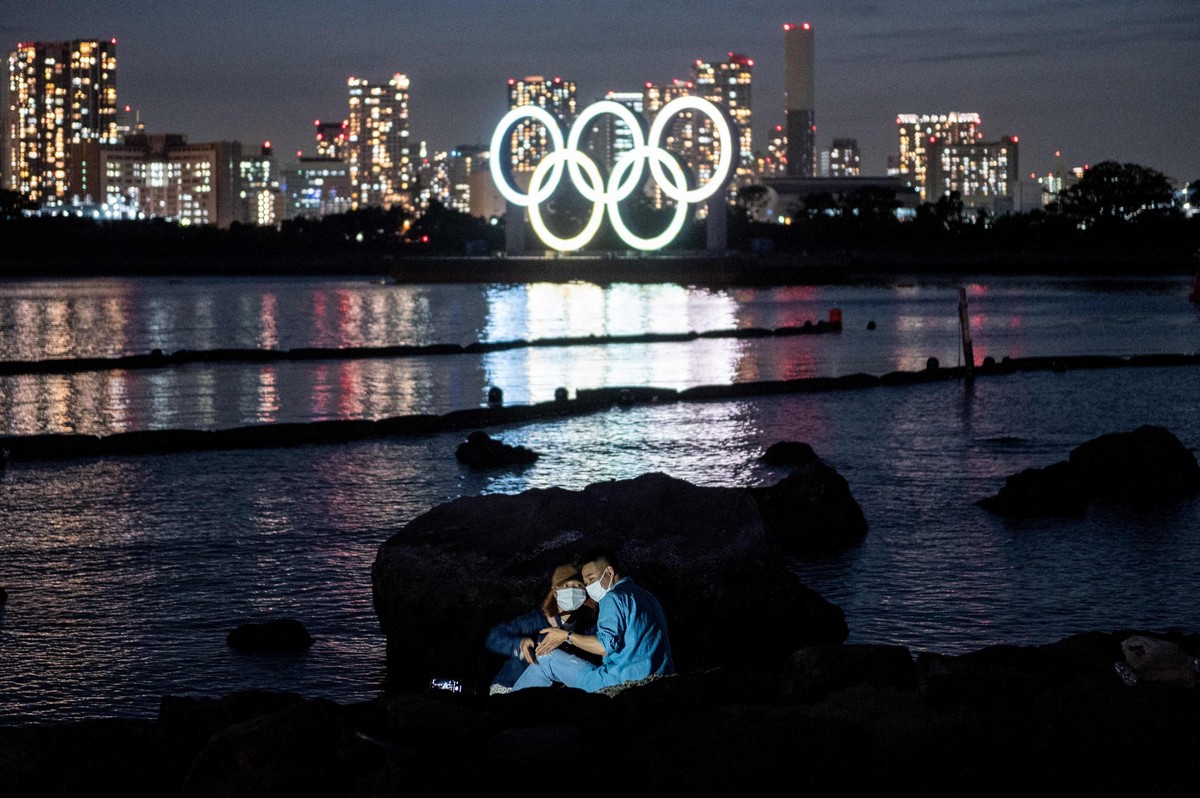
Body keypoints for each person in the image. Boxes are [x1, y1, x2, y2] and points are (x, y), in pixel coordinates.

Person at [510, 546, 674, 692]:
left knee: (547, 659)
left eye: (591, 578)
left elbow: (604, 646)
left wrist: (565, 636)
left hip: (619, 681)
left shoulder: (613, 598)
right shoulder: (649, 597)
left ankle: (505, 707)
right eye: (586, 582)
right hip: (659, 679)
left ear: (609, 572)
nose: (588, 586)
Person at [484, 564, 596, 695]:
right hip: (510, 685)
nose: (572, 591)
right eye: (565, 586)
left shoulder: (586, 627)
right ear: (555, 592)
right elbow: (495, 637)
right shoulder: (537, 620)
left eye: (578, 586)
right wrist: (519, 645)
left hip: (547, 689)